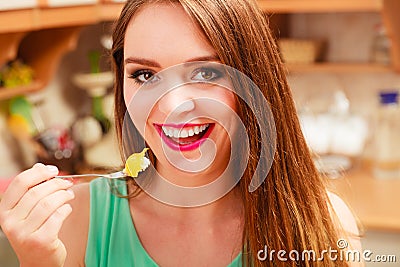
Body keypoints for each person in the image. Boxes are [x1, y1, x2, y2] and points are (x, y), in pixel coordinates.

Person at [0, 0, 362, 266]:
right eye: (144, 75)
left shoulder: (324, 224)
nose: (172, 104)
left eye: (205, 74)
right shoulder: (75, 220)